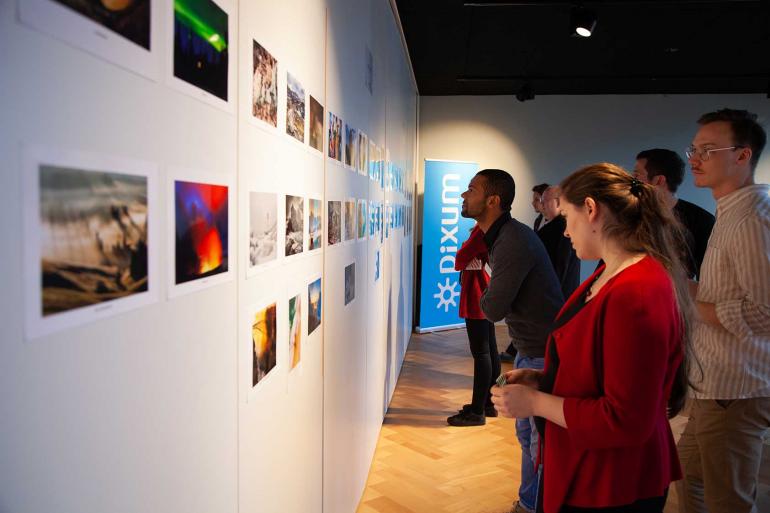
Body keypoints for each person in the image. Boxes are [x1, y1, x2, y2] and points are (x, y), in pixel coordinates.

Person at [491, 163, 693, 513]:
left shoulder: (637, 290)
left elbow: (626, 418)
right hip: (590, 467)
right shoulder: (610, 272)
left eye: (567, 216)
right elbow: (602, 371)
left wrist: (536, 403)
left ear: (590, 209)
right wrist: (544, 380)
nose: (566, 231)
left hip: (613, 481)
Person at [677, 108, 770, 513]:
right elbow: (720, 293)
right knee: (687, 476)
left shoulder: (751, 218)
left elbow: (765, 313)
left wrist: (689, 301)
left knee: (728, 499)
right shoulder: (731, 211)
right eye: (694, 149)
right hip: (714, 385)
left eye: (708, 149)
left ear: (743, 155)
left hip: (735, 391)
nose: (694, 158)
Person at [460, 169, 563, 513]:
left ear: (493, 201)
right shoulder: (502, 238)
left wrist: (489, 288)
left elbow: (492, 307)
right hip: (530, 352)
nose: (463, 195)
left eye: (471, 189)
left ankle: (535, 506)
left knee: (537, 442)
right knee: (526, 437)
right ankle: (529, 501)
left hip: (540, 356)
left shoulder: (512, 241)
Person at [633, 148, 715, 279]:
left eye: (637, 176)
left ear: (658, 180)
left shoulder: (702, 221)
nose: (631, 181)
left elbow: (707, 282)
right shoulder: (627, 216)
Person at [447, 224, 500, 426]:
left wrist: (464, 253)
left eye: (471, 191)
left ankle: (478, 410)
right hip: (485, 291)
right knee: (490, 350)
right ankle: (487, 403)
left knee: (482, 353)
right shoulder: (488, 230)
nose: (465, 198)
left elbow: (460, 258)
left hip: (478, 294)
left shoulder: (481, 232)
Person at [500, 186, 551, 364]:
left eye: (540, 200)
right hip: (528, 346)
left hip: (536, 344)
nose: (536, 203)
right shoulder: (537, 223)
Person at [536, 186, 580, 299]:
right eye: (541, 201)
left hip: (557, 298)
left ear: (558, 202)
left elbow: (561, 265)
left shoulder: (562, 229)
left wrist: (552, 297)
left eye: (545, 201)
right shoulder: (553, 226)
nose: (542, 205)